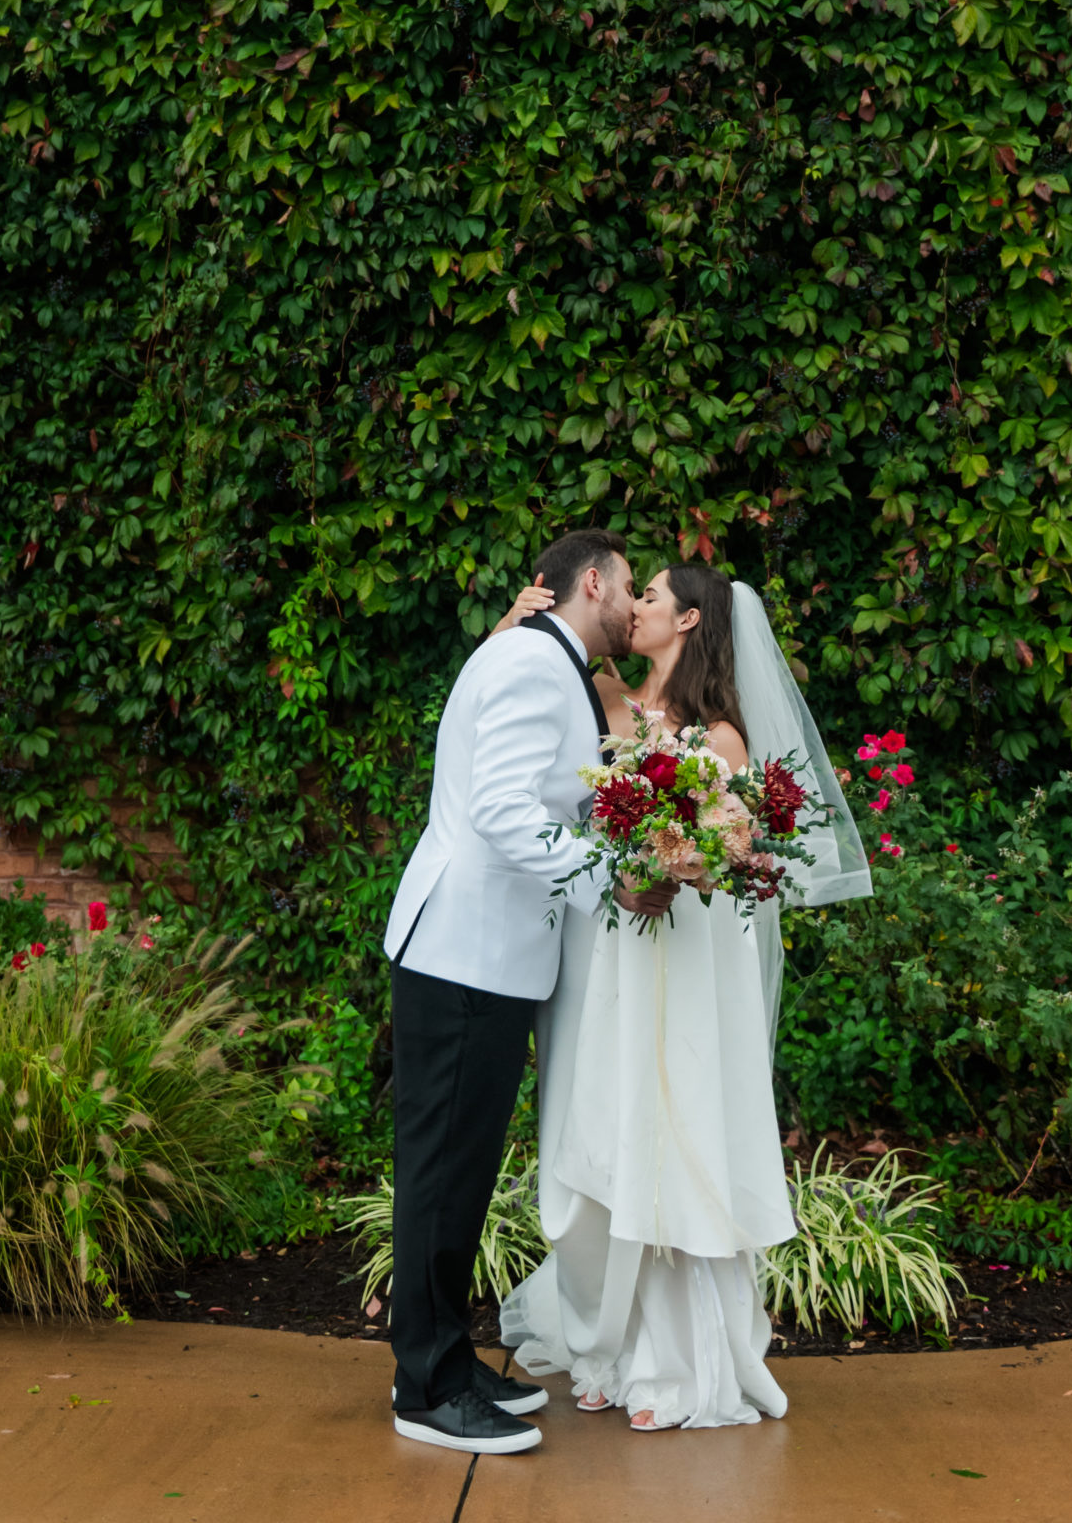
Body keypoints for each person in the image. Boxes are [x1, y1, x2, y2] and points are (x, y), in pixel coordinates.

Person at [496, 566, 872, 1430]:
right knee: (600, 1129)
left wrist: (691, 855)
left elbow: (731, 851)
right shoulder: (599, 696)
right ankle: (599, 1341)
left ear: (690, 619)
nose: (634, 607)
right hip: (609, 954)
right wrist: (508, 624)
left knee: (673, 1131)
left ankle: (670, 1365)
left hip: (686, 956)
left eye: (653, 597)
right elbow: (506, 700)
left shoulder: (724, 739)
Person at [383, 527, 674, 1456]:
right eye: (628, 588)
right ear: (590, 582)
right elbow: (505, 810)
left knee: (460, 1173)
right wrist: (609, 876)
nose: (634, 607)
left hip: (493, 958)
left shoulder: (546, 663)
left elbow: (541, 800)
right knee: (439, 1174)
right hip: (465, 954)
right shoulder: (527, 663)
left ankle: (441, 1358)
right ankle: (424, 1390)